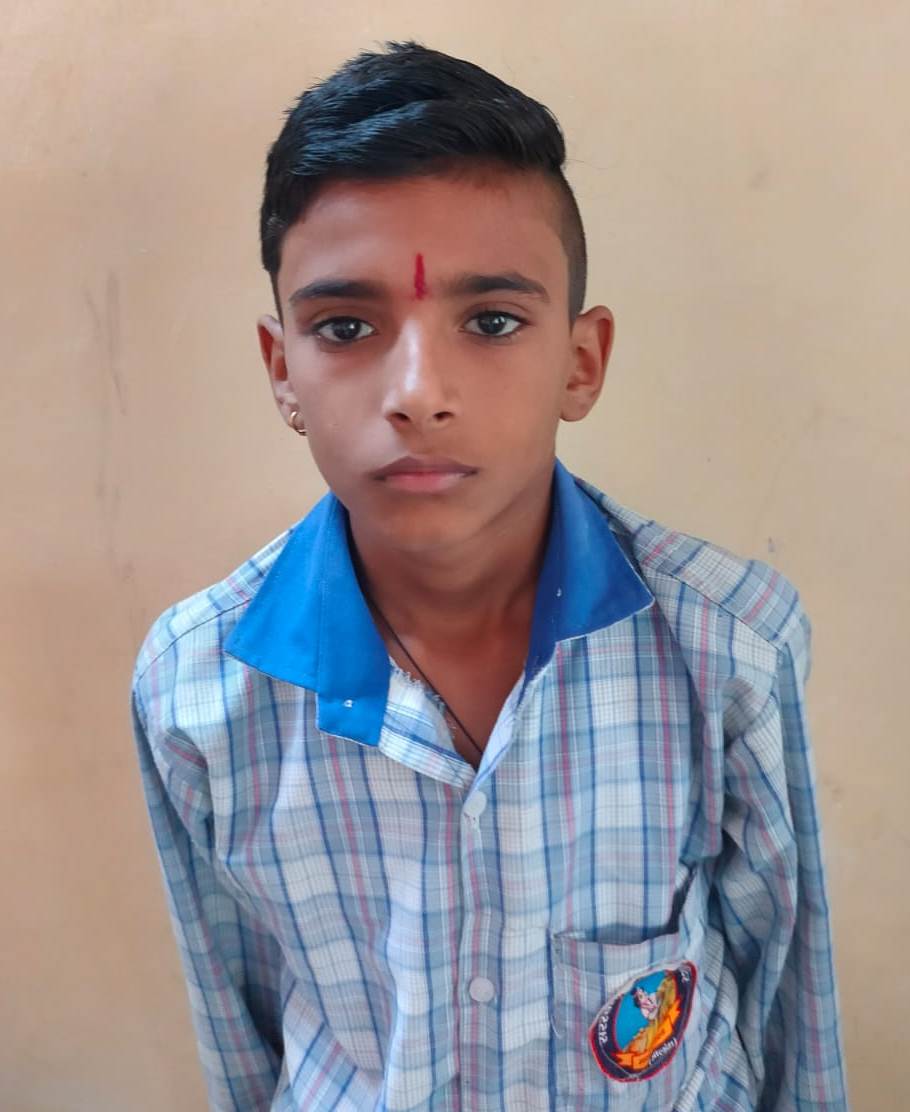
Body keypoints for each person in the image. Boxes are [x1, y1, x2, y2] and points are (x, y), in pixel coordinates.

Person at [130, 40, 848, 1110]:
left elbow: (787, 1000)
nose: (418, 391)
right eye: (346, 327)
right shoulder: (197, 687)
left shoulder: (727, 644)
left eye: (493, 321)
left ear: (580, 362)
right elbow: (238, 1021)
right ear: (283, 371)